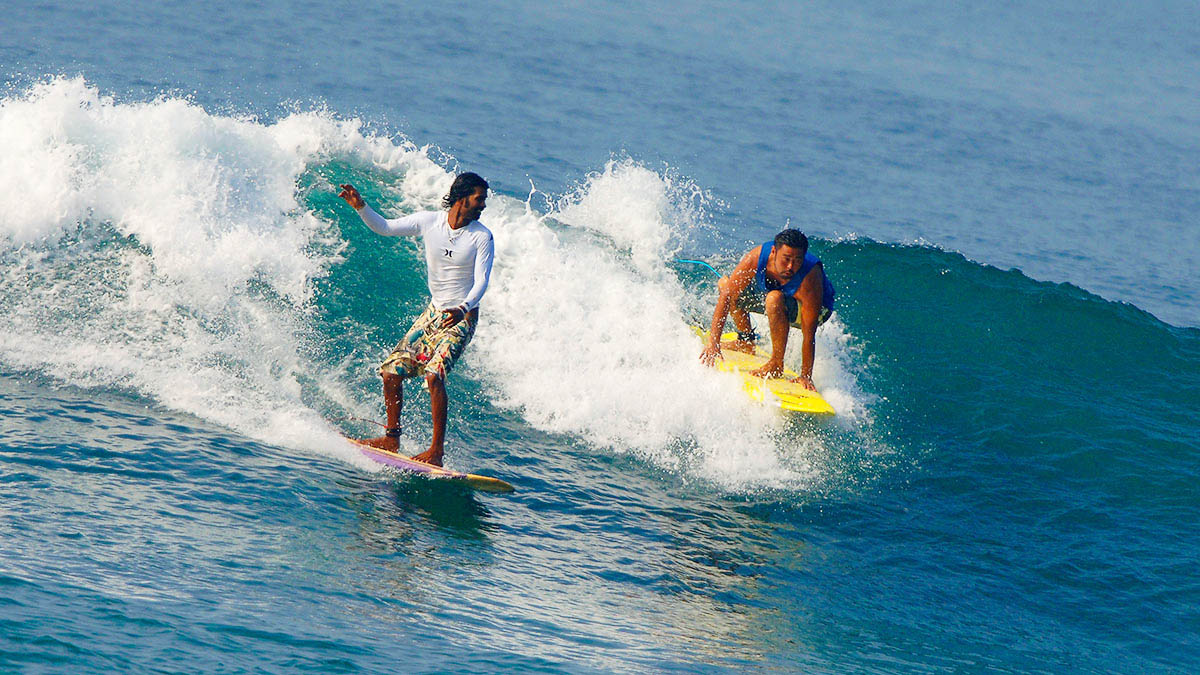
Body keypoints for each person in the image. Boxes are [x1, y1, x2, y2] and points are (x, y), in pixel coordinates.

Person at [337, 173, 494, 467]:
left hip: (462, 317)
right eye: (479, 199)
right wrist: (361, 207)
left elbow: (482, 281)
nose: (483, 205)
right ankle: (392, 438)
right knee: (391, 372)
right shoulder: (429, 222)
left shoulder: (481, 237)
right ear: (462, 198)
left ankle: (436, 452)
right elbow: (384, 227)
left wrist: (464, 307)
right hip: (434, 314)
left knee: (434, 375)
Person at [699, 229, 835, 391]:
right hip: (778, 296)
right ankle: (746, 341)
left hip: (819, 310)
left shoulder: (810, 276)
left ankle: (777, 364)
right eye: (786, 259)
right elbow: (727, 295)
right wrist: (713, 344)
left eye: (798, 260)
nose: (791, 266)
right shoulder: (756, 258)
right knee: (726, 284)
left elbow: (809, 332)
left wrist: (806, 375)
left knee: (774, 299)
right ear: (773, 251)